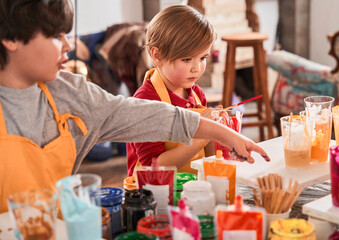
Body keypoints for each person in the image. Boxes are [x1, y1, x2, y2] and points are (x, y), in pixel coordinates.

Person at [0, 0, 269, 213]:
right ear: (10, 38)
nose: (69, 44)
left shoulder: (72, 93)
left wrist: (224, 133)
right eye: (55, 36)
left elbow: (146, 116)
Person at [126, 5, 266, 176]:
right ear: (157, 56)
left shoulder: (196, 94)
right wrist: (199, 139)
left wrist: (219, 135)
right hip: (152, 194)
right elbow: (153, 169)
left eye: (203, 58)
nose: (197, 68)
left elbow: (208, 158)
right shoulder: (146, 102)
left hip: (190, 187)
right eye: (186, 59)